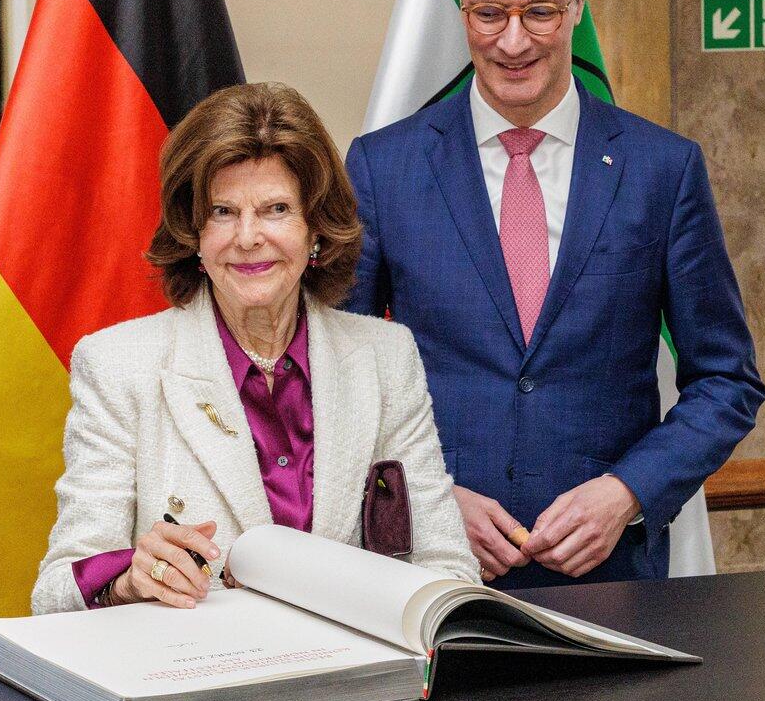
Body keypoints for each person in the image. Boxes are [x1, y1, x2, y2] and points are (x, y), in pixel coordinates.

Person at [344, 0, 765, 588]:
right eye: (489, 13)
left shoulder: (662, 170)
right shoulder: (383, 168)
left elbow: (727, 380)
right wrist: (425, 498)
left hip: (614, 580)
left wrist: (627, 492)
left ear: (578, 3)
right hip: (434, 575)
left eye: (539, 11)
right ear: (460, 3)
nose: (513, 41)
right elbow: (334, 378)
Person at [32, 82, 478, 613]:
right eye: (222, 211)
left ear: (316, 229)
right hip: (194, 663)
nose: (247, 237)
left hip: (353, 663)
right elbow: (54, 593)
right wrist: (128, 578)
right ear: (194, 233)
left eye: (276, 209)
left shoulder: (386, 357)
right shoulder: (116, 365)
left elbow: (448, 566)